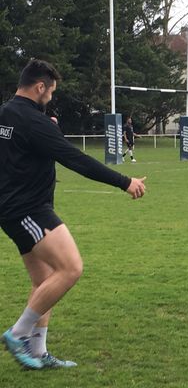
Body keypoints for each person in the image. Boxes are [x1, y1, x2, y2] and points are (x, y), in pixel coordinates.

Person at [0, 59, 147, 369]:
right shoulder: (34, 123)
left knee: (44, 282)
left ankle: (37, 352)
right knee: (71, 268)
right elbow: (76, 160)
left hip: (15, 209)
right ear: (40, 87)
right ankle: (18, 333)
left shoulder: (7, 114)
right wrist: (125, 182)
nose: (51, 97)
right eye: (50, 92)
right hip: (29, 211)